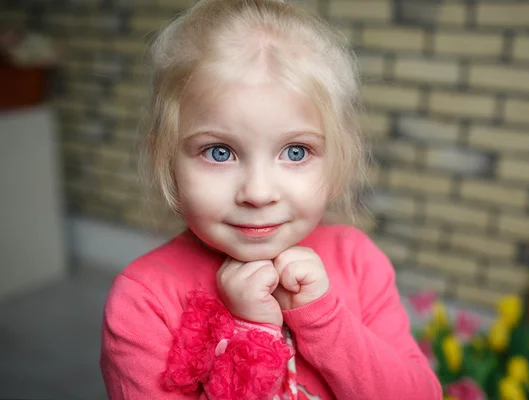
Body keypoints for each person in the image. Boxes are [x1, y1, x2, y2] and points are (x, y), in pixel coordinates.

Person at [99, 0, 442, 399]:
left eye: (296, 151)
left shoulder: (358, 261)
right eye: (219, 152)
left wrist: (324, 320)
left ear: (336, 158)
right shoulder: (143, 301)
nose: (259, 194)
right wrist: (251, 333)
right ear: (167, 157)